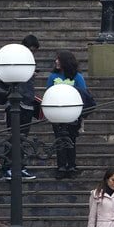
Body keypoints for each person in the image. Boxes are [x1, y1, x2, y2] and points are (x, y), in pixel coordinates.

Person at [1, 34, 40, 182]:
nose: (32, 53)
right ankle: (8, 167)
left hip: (28, 104)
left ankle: (20, 166)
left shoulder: (31, 61)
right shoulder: (15, 61)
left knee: (22, 138)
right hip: (16, 104)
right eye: (30, 50)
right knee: (13, 137)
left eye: (34, 51)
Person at [46, 50, 87, 179]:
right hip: (57, 114)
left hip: (72, 114)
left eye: (59, 59)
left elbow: (84, 94)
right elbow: (48, 93)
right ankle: (61, 166)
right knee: (59, 140)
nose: (56, 61)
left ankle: (71, 165)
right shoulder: (53, 77)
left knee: (71, 140)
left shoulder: (77, 77)